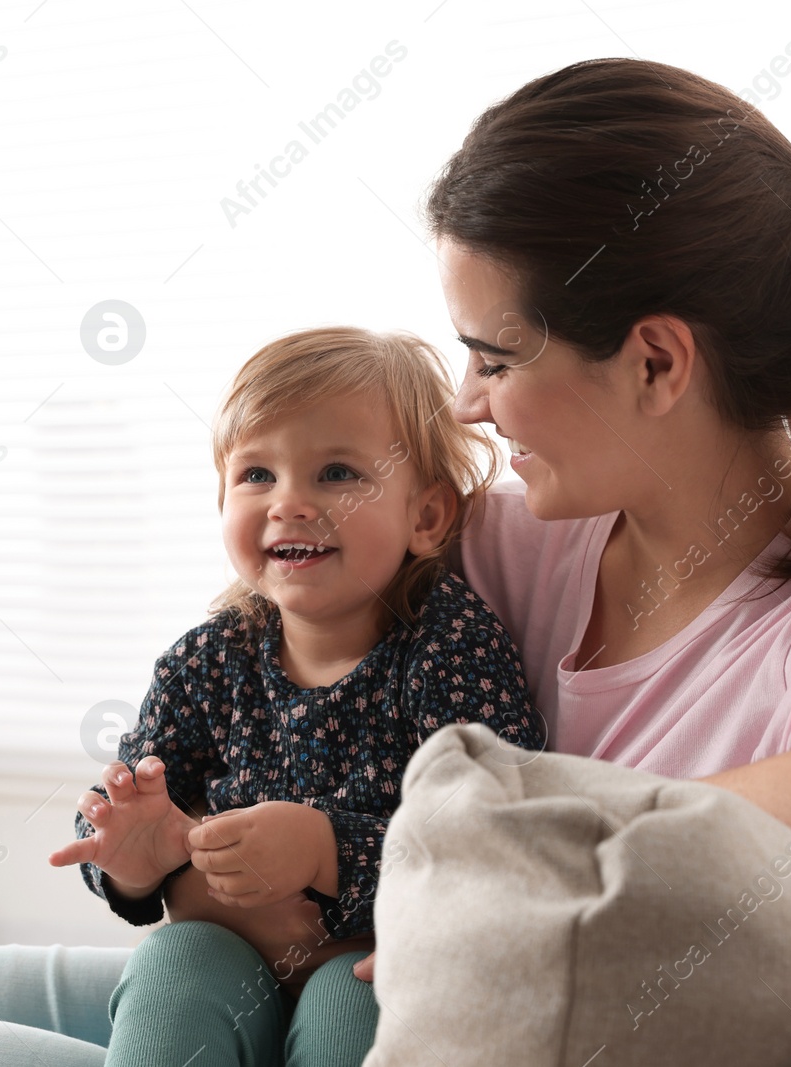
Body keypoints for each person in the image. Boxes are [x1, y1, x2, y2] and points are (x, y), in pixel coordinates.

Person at [0, 55, 791, 1063]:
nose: (469, 404)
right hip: (273, 941)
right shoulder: (542, 530)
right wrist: (193, 845)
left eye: (494, 356)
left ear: (655, 360)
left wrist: (477, 861)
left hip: (363, 995)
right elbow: (302, 578)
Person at [45, 325, 544, 1067]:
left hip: (373, 956)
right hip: (223, 955)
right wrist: (131, 859)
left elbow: (501, 846)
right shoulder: (206, 660)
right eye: (256, 475)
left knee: (355, 1001)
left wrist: (325, 849)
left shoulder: (450, 649)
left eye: (336, 472)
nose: (289, 503)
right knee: (175, 968)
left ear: (426, 515)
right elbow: (129, 813)